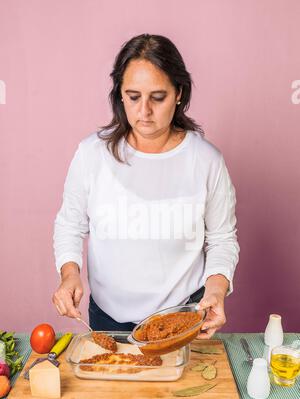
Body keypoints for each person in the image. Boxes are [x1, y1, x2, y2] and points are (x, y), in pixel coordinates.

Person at [52, 33, 240, 339]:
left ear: (179, 93)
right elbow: (69, 224)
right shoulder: (91, 155)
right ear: (120, 95)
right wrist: (69, 274)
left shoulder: (206, 160)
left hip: (182, 318)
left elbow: (222, 239)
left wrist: (216, 291)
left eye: (158, 97)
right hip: (107, 318)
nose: (144, 112)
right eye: (134, 96)